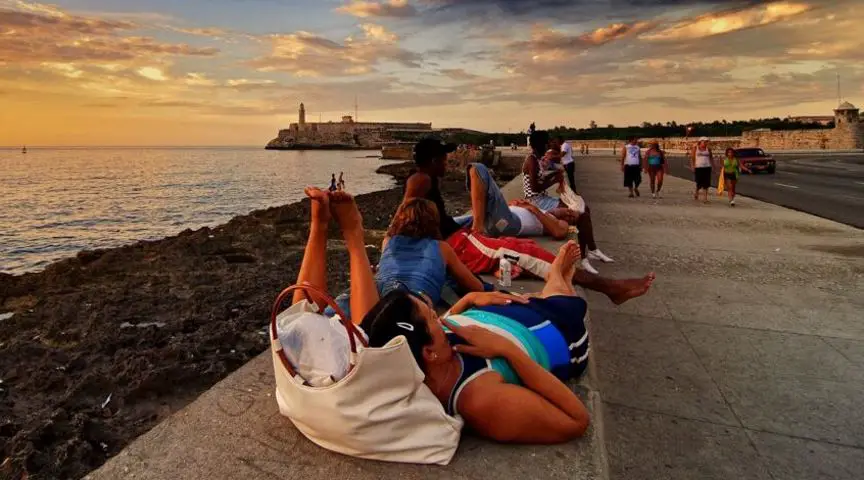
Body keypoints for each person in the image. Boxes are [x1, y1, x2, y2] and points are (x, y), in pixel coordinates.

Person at [364, 241, 592, 443]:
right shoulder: (480, 401)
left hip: (508, 313)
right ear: (429, 353)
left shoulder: (423, 352)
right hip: (557, 328)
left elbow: (435, 328)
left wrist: (468, 300)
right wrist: (505, 349)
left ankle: (553, 284)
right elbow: (576, 421)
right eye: (433, 316)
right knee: (559, 297)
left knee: (532, 298)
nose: (439, 317)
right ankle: (558, 280)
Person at [404, 136, 654, 305]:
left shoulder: (426, 179)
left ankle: (608, 287)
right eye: (445, 159)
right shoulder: (421, 180)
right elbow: (404, 221)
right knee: (524, 251)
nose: (448, 163)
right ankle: (609, 288)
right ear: (435, 161)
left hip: (454, 237)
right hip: (456, 244)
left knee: (512, 244)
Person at [522, 130, 614, 274]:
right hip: (537, 201)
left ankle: (590, 251)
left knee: (585, 209)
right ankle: (587, 254)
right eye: (546, 142)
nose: (548, 145)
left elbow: (539, 181)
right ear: (540, 143)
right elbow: (534, 188)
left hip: (542, 198)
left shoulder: (536, 159)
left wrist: (553, 175)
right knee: (580, 212)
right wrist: (554, 180)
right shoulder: (531, 160)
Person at [691, 137, 714, 203]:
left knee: (706, 183)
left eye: (707, 141)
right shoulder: (695, 148)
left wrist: (713, 166)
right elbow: (692, 158)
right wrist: (692, 166)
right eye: (705, 141)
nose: (706, 143)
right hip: (698, 167)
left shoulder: (708, 149)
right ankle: (696, 191)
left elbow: (711, 158)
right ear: (700, 141)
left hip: (707, 167)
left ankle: (705, 198)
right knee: (699, 182)